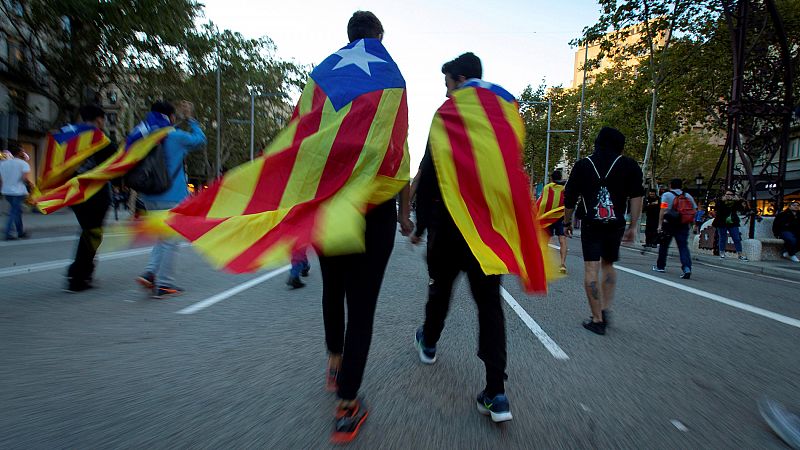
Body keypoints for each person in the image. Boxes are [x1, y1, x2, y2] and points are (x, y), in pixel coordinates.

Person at [411, 52, 548, 424]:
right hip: (487, 233)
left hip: (449, 227)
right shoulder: (504, 114)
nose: (446, 92)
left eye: (447, 85)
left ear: (457, 79)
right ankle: (496, 392)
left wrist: (420, 224)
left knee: (440, 290)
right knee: (490, 306)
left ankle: (429, 341)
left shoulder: (446, 115)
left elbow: (429, 168)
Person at [316, 11, 413, 443]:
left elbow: (304, 139)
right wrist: (405, 211)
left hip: (331, 206)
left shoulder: (323, 74)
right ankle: (347, 406)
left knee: (331, 288)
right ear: (379, 36)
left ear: (348, 36)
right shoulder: (392, 79)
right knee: (363, 305)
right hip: (374, 208)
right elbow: (400, 155)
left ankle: (335, 364)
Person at [564, 126, 644, 335]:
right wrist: (633, 226)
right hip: (615, 224)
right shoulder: (629, 165)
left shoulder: (583, 165)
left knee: (591, 268)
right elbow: (637, 196)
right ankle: (605, 308)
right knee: (608, 265)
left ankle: (597, 320)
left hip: (591, 224)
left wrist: (567, 222)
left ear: (597, 142)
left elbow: (570, 197)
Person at [135, 101, 206, 298]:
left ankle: (150, 273)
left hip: (148, 196)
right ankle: (164, 284)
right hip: (171, 196)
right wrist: (191, 118)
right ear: (171, 117)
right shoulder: (176, 137)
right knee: (171, 241)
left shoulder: (145, 135)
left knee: (161, 237)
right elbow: (200, 140)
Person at [65, 104, 119, 292]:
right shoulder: (98, 138)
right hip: (94, 194)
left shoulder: (70, 135)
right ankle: (79, 277)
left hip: (74, 193)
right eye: (103, 120)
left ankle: (79, 271)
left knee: (87, 232)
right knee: (92, 234)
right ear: (99, 119)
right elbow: (114, 162)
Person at [651, 178, 697, 280]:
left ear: (670, 185)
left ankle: (660, 266)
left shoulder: (666, 195)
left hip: (669, 224)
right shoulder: (687, 196)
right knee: (683, 246)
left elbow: (663, 210)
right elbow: (694, 209)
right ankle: (686, 268)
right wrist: (693, 224)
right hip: (683, 224)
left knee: (664, 245)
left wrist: (659, 225)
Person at [0, 146, 32, 240]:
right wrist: (30, 185)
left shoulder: (3, 164)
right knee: (14, 212)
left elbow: (1, 179)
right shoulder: (23, 164)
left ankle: (20, 232)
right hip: (18, 192)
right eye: (23, 151)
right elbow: (24, 179)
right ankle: (8, 233)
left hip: (6, 191)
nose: (24, 152)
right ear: (19, 153)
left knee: (17, 211)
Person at [540, 169, 568, 273]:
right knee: (562, 240)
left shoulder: (547, 188)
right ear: (560, 178)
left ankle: (543, 264)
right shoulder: (565, 188)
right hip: (561, 217)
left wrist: (539, 216)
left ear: (551, 178)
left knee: (545, 241)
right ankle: (562, 264)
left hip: (548, 218)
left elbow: (542, 203)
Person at [712, 189, 749, 261]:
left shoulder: (735, 203)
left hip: (733, 222)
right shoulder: (720, 202)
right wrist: (722, 201)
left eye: (730, 195)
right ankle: (722, 253)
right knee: (722, 238)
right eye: (727, 194)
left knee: (737, 238)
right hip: (721, 222)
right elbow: (717, 209)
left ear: (733, 196)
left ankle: (740, 254)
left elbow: (741, 209)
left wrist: (739, 201)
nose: (728, 196)